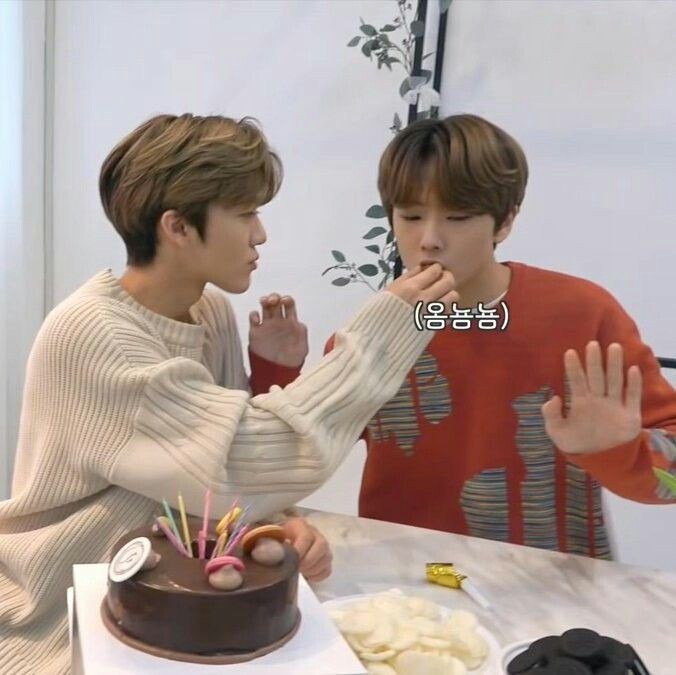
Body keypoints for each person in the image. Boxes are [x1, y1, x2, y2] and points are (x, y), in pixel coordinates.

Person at [0, 113, 457, 674]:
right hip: (64, 617)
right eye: (245, 214)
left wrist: (277, 518)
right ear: (178, 227)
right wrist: (385, 332)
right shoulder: (96, 335)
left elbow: (220, 470)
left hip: (173, 608)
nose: (260, 234)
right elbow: (237, 463)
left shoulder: (208, 311)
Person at [326, 113, 676, 558]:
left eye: (457, 217)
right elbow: (295, 452)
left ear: (505, 221)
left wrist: (618, 451)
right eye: (410, 216)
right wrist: (274, 369)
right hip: (406, 579)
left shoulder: (583, 316)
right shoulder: (375, 330)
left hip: (549, 586)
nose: (429, 239)